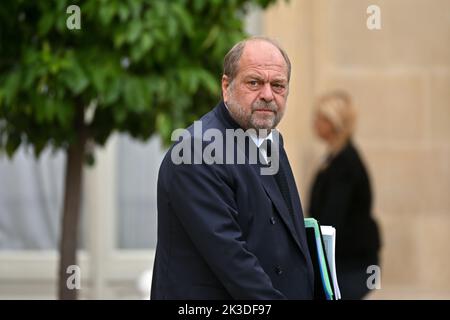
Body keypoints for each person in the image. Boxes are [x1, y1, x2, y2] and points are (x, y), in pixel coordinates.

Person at [151, 37, 315, 299]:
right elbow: (235, 263)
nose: (267, 95)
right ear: (226, 86)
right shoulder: (197, 152)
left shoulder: (270, 140)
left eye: (278, 85)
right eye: (254, 82)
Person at [308, 90, 381, 300]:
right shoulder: (335, 159)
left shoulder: (345, 164)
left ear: (333, 123)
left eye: (319, 118)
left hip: (352, 264)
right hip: (346, 261)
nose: (314, 123)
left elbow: (332, 218)